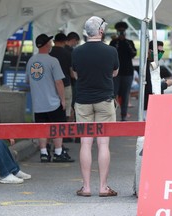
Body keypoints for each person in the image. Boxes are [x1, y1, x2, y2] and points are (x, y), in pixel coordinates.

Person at [72, 16, 119, 197]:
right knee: (103, 143)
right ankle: (103, 187)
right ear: (100, 31)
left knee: (85, 142)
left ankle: (86, 187)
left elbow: (75, 73)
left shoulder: (77, 52)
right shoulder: (111, 51)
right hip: (105, 100)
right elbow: (114, 72)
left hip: (83, 100)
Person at [26, 34, 73, 163]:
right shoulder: (53, 61)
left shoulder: (31, 61)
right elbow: (59, 82)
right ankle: (58, 152)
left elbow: (28, 80)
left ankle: (44, 153)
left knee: (42, 128)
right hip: (53, 102)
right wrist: (63, 100)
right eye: (50, 42)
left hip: (38, 103)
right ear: (47, 44)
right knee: (57, 127)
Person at [109, 21, 137, 121]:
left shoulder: (129, 42)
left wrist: (124, 41)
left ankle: (123, 115)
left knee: (125, 95)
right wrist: (117, 42)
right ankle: (111, 115)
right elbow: (111, 54)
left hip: (127, 72)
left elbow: (133, 53)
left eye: (122, 31)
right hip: (116, 73)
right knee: (113, 94)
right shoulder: (113, 42)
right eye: (119, 31)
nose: (121, 33)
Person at [144, 41, 172, 117]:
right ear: (150, 51)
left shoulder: (154, 63)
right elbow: (150, 87)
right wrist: (165, 84)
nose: (160, 54)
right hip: (149, 105)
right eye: (158, 51)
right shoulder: (148, 65)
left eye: (162, 52)